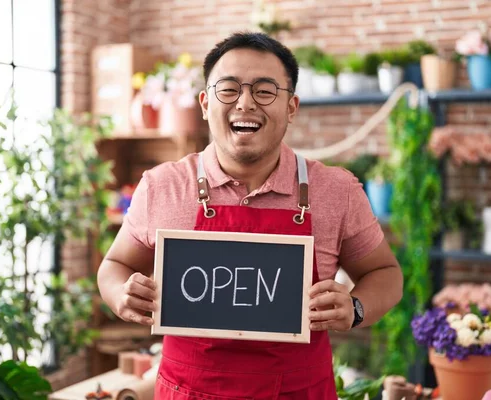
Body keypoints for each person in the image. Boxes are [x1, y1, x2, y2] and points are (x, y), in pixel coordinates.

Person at [97, 31, 403, 399]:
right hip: (188, 391)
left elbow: (385, 273)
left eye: (265, 90)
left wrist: (355, 307)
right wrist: (122, 296)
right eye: (228, 89)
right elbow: (113, 266)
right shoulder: (162, 186)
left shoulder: (336, 190)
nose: (245, 103)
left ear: (291, 107)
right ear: (205, 103)